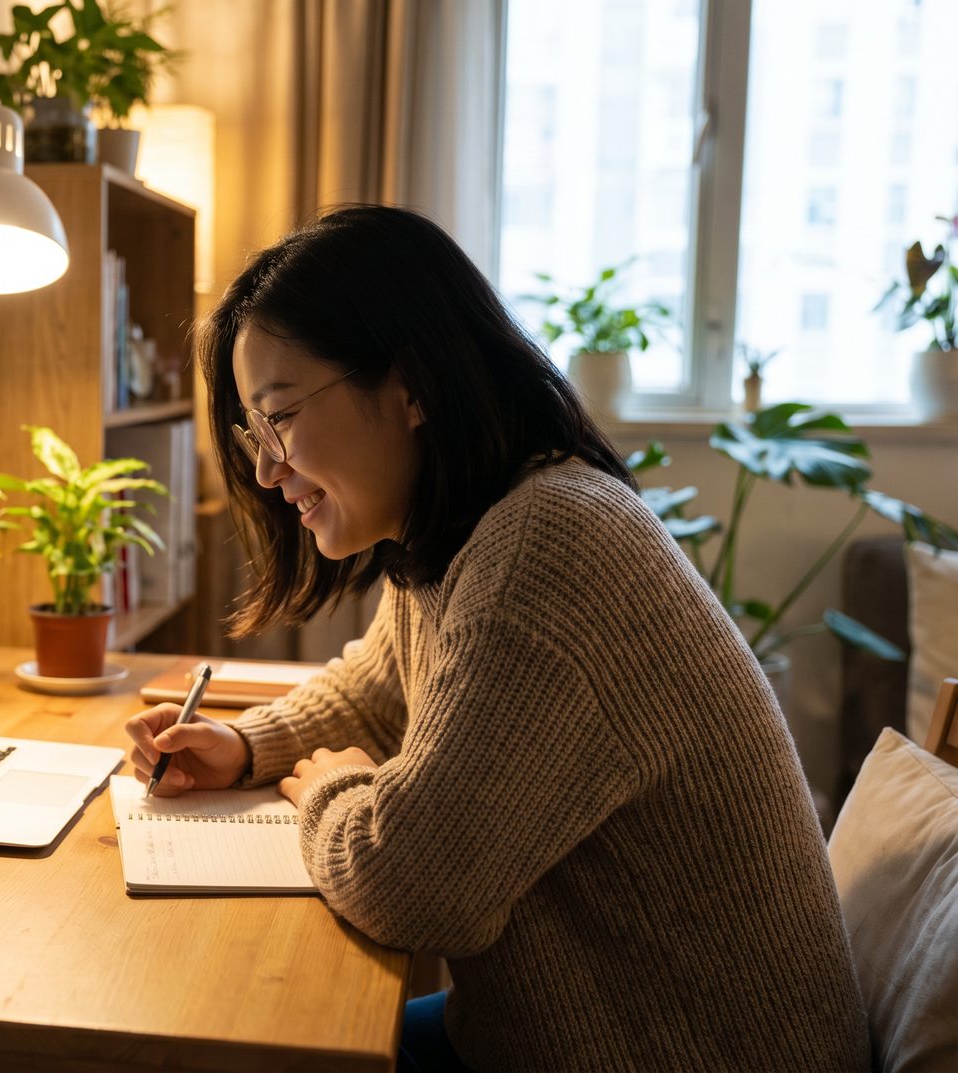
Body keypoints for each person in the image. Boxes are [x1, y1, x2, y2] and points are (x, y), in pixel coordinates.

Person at [124, 206, 869, 1071]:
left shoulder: (547, 549)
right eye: (258, 430)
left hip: (685, 1054)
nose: (265, 466)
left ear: (411, 388)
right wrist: (247, 744)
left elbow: (411, 885)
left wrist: (331, 788)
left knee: (227, 1044)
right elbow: (379, 687)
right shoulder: (465, 530)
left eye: (281, 416)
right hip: (577, 1038)